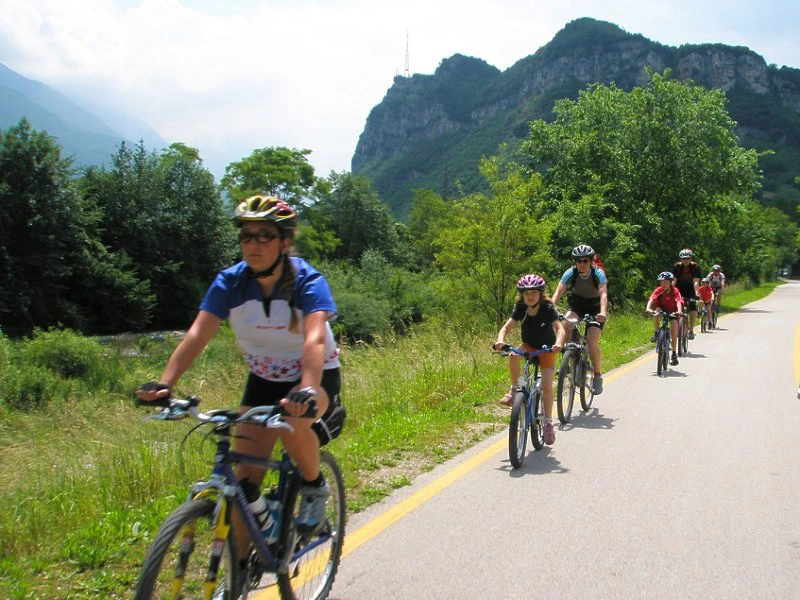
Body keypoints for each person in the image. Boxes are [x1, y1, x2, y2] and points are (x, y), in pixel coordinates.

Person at [134, 195, 343, 559]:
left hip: (314, 376)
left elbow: (313, 340)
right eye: (246, 235)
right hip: (263, 379)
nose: (253, 244)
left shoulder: (308, 281)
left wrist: (307, 388)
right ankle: (240, 573)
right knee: (242, 488)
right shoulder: (229, 283)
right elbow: (197, 335)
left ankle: (314, 485)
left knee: (293, 425)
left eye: (264, 235)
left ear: (285, 242)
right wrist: (166, 383)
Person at [494, 274, 565, 445]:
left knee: (547, 385)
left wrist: (558, 344)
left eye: (534, 292)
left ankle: (548, 423)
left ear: (540, 293)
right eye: (526, 293)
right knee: (514, 355)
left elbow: (560, 329)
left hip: (546, 349)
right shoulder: (521, 307)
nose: (530, 296)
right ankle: (514, 389)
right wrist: (500, 340)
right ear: (522, 295)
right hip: (529, 346)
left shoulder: (547, 307)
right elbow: (506, 327)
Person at [550, 244, 608, 395]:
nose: (582, 264)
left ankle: (597, 376)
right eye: (578, 261)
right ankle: (568, 360)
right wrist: (550, 307)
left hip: (595, 308)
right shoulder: (570, 272)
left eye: (585, 260)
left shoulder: (598, 273)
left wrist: (602, 312)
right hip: (577, 306)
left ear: (591, 261)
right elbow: (558, 291)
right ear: (575, 262)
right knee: (566, 325)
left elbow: (603, 294)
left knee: (592, 340)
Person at [646, 271, 684, 366]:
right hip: (661, 308)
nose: (663, 285)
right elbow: (652, 299)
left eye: (666, 282)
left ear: (670, 282)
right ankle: (656, 334)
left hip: (673, 311)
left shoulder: (675, 291)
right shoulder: (659, 290)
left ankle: (674, 353)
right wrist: (648, 308)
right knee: (656, 313)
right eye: (661, 283)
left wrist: (679, 310)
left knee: (674, 329)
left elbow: (678, 301)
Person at [672, 249, 701, 339]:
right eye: (683, 258)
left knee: (692, 305)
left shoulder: (695, 267)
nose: (685, 260)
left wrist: (697, 293)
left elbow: (695, 281)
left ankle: (691, 330)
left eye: (687, 258)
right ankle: (677, 327)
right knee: (676, 306)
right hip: (679, 289)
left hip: (691, 290)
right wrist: (671, 290)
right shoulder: (677, 266)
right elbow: (674, 280)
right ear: (680, 259)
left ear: (691, 258)